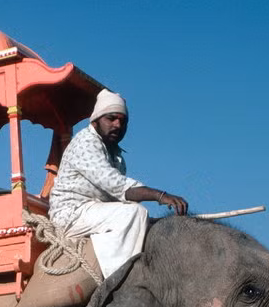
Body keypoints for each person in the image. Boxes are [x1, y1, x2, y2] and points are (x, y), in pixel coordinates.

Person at [48, 88, 189, 277]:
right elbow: (117, 186)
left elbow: (118, 197)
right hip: (71, 214)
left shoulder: (116, 154)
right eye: (111, 118)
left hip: (93, 212)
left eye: (123, 121)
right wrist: (160, 196)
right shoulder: (85, 143)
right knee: (135, 213)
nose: (117, 125)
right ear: (96, 120)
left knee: (142, 219)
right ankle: (116, 279)